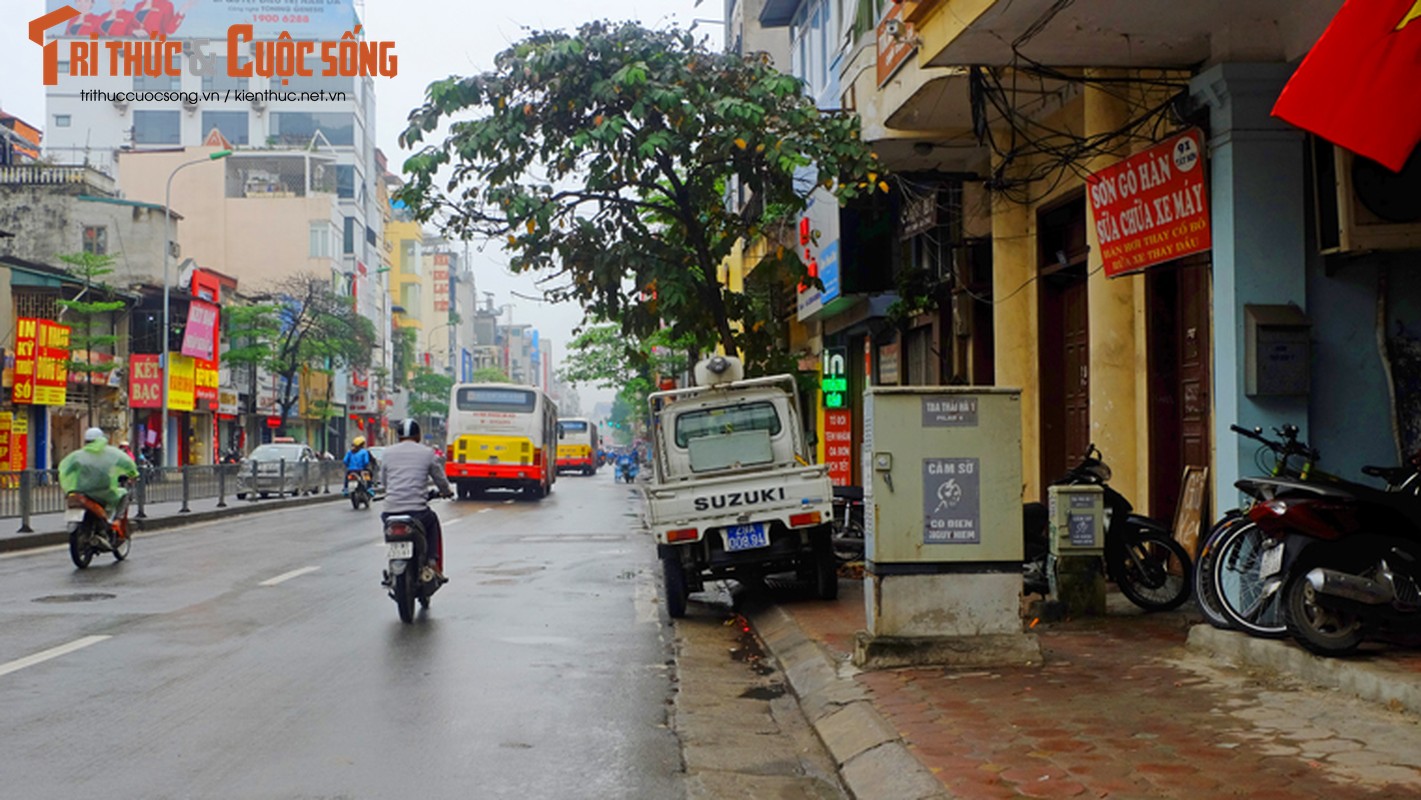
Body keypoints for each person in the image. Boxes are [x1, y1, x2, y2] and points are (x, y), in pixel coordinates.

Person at [380, 419, 453, 580]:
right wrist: (446, 491)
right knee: (432, 520)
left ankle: (392, 564)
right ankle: (433, 561)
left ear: (399, 436)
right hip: (418, 513)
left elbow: (384, 481)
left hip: (390, 511)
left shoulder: (387, 453)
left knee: (388, 529)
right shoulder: (427, 453)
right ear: (418, 435)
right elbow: (440, 479)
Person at [59, 428, 139, 519]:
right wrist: (133, 475)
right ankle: (117, 520)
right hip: (104, 493)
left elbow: (65, 470)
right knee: (124, 494)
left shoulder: (76, 456)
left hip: (81, 492)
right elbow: (129, 464)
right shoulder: (113, 453)